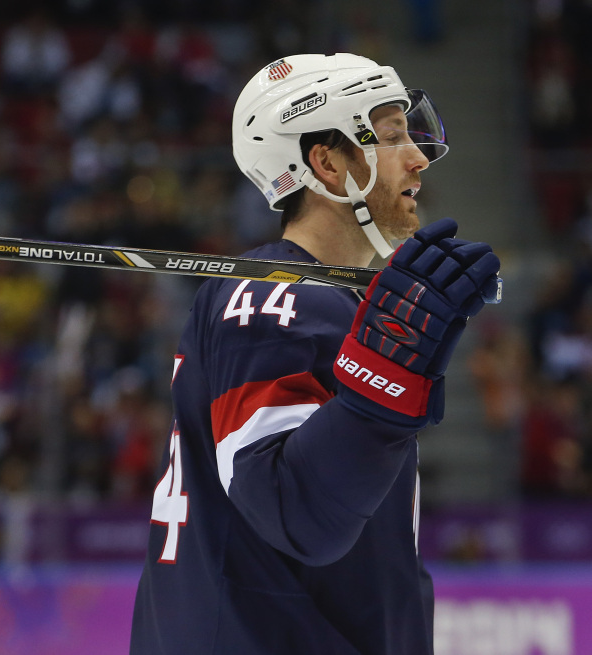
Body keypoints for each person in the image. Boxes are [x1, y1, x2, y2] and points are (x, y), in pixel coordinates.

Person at [129, 53, 501, 654]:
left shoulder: (314, 300)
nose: (418, 157)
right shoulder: (269, 296)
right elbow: (293, 510)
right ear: (327, 164)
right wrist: (388, 373)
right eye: (390, 135)